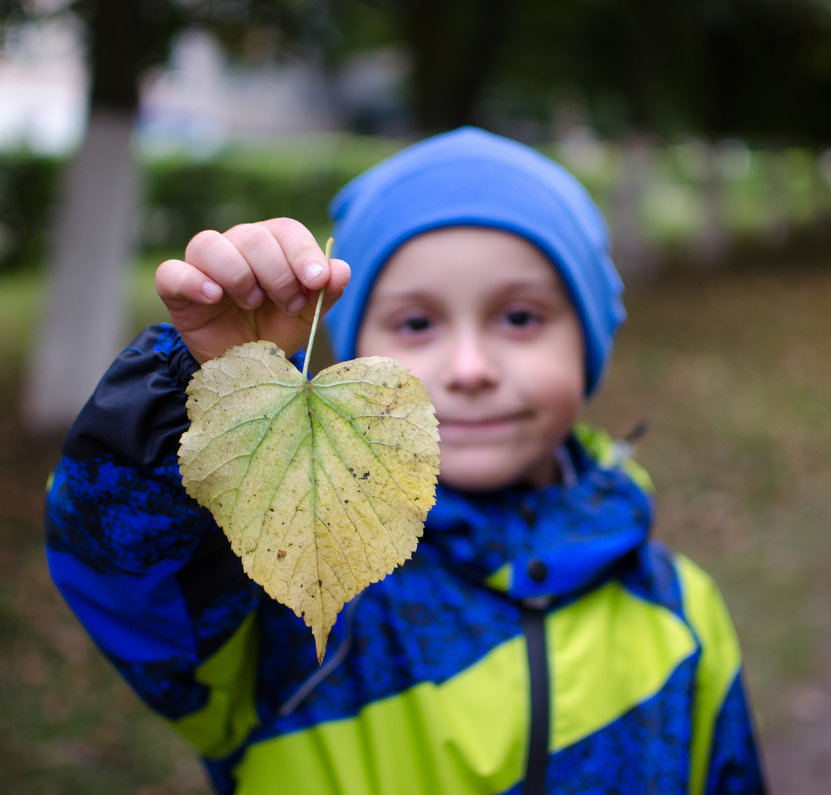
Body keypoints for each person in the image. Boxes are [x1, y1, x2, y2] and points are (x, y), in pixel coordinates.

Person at [45, 126, 767, 794]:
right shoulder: (290, 586)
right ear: (353, 351)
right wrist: (209, 387)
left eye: (520, 317)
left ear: (590, 342)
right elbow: (125, 577)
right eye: (417, 322)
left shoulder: (681, 610)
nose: (471, 366)